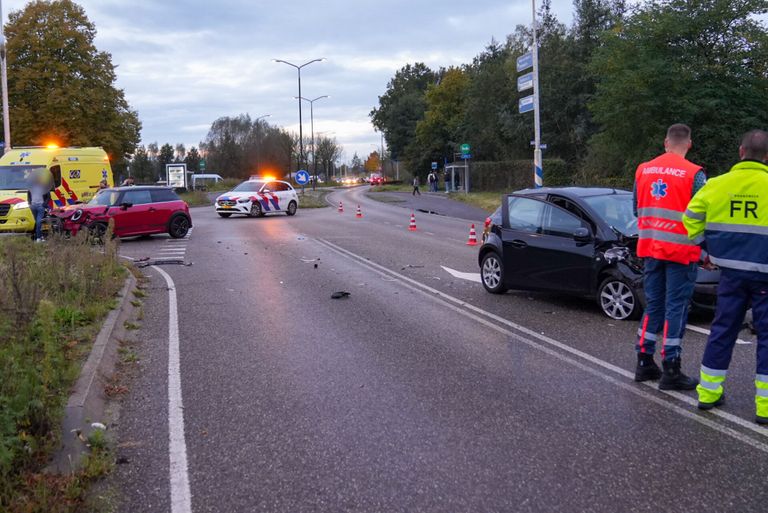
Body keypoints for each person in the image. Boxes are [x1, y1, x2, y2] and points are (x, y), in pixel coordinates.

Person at [683, 129, 768, 424]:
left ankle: (708, 394)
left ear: (741, 152)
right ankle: (765, 408)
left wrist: (705, 252)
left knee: (722, 331)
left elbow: (690, 219)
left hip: (729, 273)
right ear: (767, 156)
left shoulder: (715, 185)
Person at [633, 123, 707, 389]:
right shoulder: (694, 174)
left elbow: (636, 208)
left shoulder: (644, 170)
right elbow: (702, 217)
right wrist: (707, 251)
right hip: (680, 251)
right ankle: (671, 368)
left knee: (654, 305)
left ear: (666, 142)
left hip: (651, 249)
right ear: (689, 144)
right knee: (676, 307)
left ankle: (643, 361)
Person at [29, 170, 50, 242]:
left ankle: (38, 238)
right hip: (33, 206)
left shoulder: (43, 186)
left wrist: (44, 204)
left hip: (40, 206)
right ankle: (40, 236)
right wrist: (30, 203)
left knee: (38, 222)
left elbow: (48, 197)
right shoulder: (31, 187)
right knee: (36, 222)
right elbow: (28, 195)